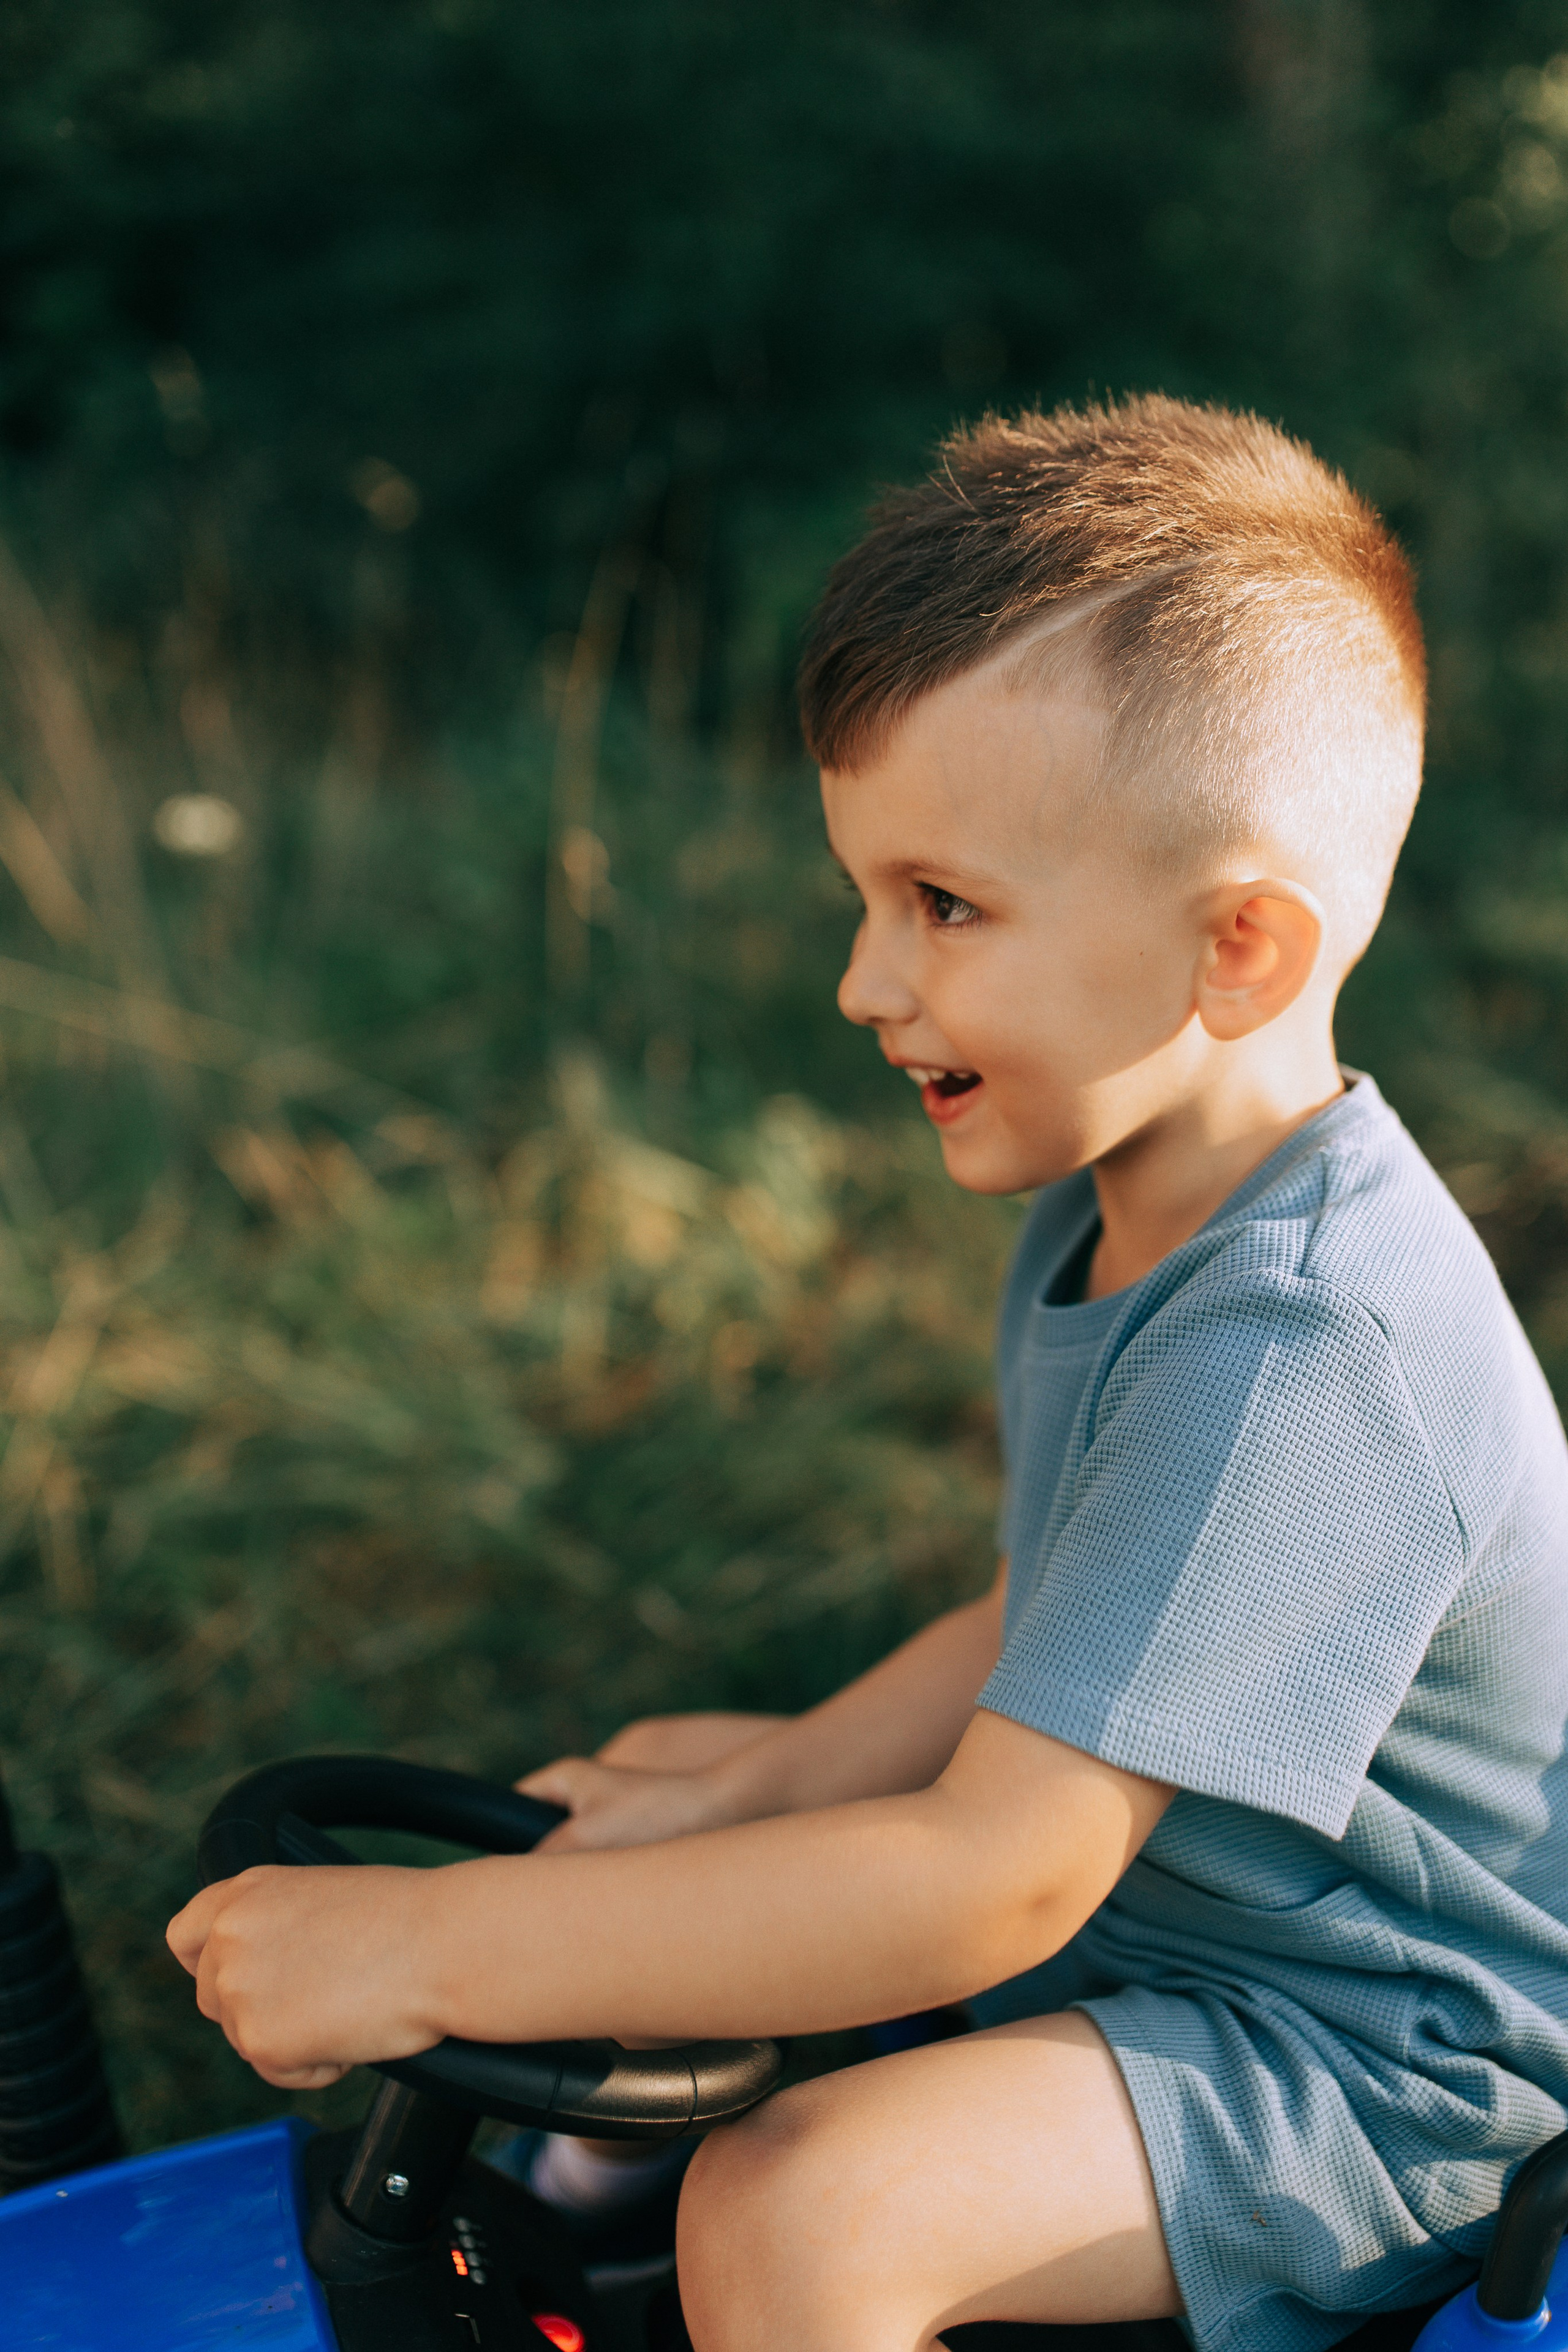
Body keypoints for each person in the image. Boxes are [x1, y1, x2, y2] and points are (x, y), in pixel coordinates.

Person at [168, 397, 1568, 2352]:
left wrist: (432, 1946)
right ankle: (590, 2236)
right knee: (675, 1794)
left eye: (944, 907)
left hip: (1376, 2065)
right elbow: (1049, 1613)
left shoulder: (1311, 1342)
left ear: (1237, 946)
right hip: (1190, 1938)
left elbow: (990, 1885)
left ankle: (686, 2245)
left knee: (818, 2215)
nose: (864, 979)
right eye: (868, 895)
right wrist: (751, 1787)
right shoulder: (1129, 1192)